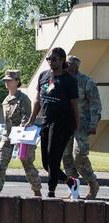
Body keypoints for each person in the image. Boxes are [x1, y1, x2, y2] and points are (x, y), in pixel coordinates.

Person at [25, 47, 81, 198]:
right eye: (48, 59)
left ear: (62, 60)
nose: (50, 61)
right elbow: (38, 99)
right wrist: (31, 119)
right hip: (46, 121)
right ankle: (71, 182)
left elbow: (75, 105)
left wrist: (77, 126)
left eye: (54, 59)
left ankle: (51, 192)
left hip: (63, 123)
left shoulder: (69, 80)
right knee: (46, 163)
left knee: (53, 157)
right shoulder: (43, 76)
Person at [0, 70, 42, 196]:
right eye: (5, 80)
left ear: (17, 82)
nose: (6, 82)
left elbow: (26, 118)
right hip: (8, 136)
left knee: (27, 163)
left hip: (22, 135)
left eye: (10, 80)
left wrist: (20, 133)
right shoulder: (6, 100)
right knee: (0, 163)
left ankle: (37, 190)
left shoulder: (23, 99)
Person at [62, 56, 102, 199]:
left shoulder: (86, 82)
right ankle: (73, 189)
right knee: (66, 158)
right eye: (65, 63)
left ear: (76, 66)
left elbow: (95, 105)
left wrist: (93, 124)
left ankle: (92, 183)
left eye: (69, 64)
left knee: (79, 157)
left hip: (82, 126)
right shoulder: (61, 80)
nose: (66, 66)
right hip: (64, 126)